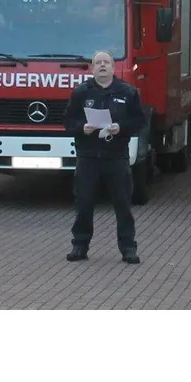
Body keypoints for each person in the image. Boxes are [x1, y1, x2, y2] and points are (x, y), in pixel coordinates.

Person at [63, 50, 146, 265]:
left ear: (113, 67)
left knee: (122, 204)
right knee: (84, 203)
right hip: (88, 157)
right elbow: (68, 122)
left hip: (116, 157)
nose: (102, 66)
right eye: (98, 62)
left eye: (106, 62)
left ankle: (128, 248)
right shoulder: (81, 93)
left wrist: (122, 127)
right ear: (92, 67)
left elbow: (139, 121)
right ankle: (79, 246)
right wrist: (83, 128)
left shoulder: (128, 92)